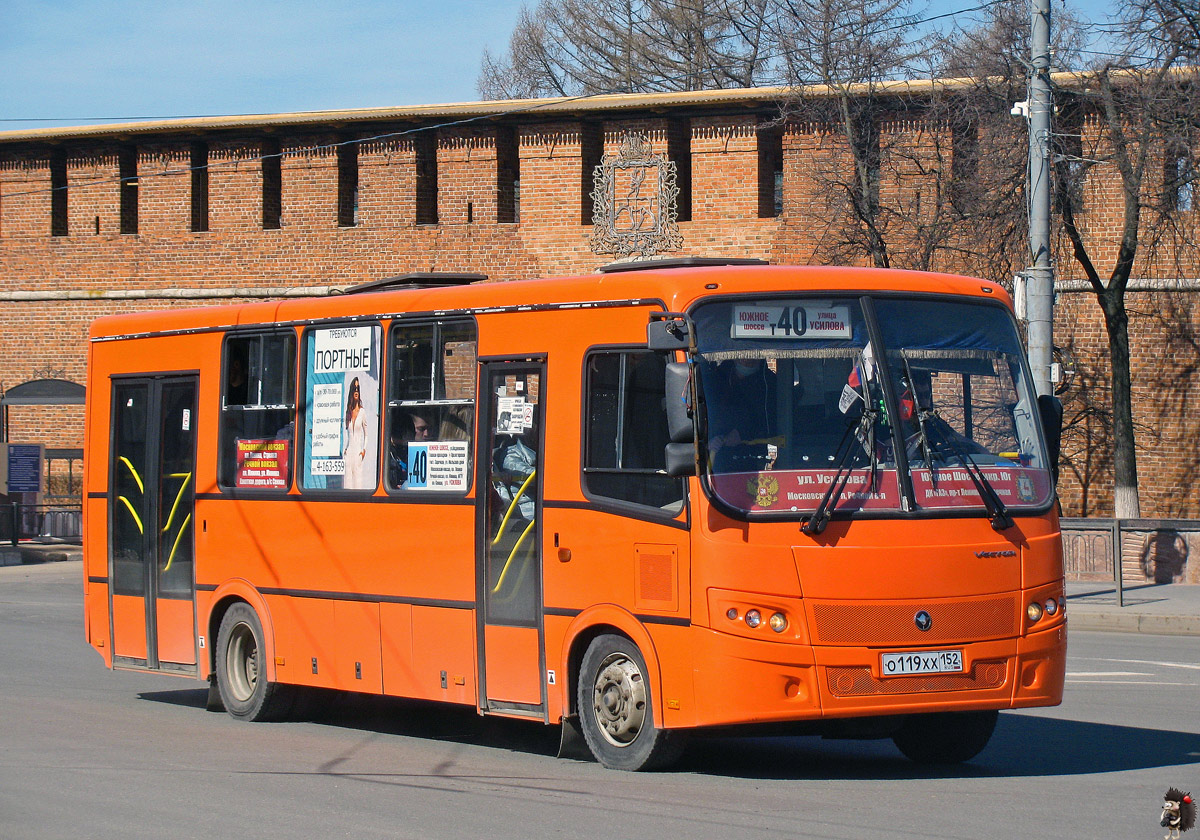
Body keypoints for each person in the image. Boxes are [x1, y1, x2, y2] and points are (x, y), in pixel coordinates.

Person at [703, 358, 778, 472]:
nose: (747, 361)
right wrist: (708, 441)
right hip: (717, 459)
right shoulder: (715, 380)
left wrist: (743, 434)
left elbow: (774, 419)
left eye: (752, 358)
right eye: (743, 357)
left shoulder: (769, 383)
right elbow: (702, 414)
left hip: (754, 458)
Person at [342, 377, 371, 489]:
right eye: (354, 388)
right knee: (347, 482)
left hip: (358, 452)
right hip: (349, 452)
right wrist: (345, 449)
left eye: (358, 388)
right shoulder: (348, 412)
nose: (356, 392)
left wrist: (363, 450)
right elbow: (347, 433)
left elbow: (366, 434)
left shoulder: (362, 412)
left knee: (358, 482)